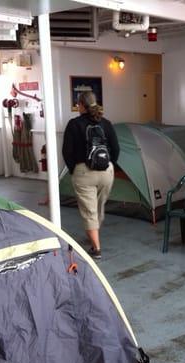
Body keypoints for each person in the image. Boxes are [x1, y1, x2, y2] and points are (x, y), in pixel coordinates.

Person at [62, 92, 119, 260]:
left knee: (89, 211)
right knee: (98, 207)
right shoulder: (106, 124)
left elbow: (67, 151)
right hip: (106, 172)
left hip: (84, 172)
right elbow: (116, 149)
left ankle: (96, 248)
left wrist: (74, 169)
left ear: (81, 105)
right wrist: (110, 165)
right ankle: (94, 232)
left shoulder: (74, 124)